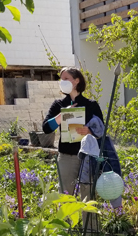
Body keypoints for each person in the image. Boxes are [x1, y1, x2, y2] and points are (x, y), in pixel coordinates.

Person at [42, 67, 104, 200]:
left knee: (88, 197)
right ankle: (65, 222)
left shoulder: (91, 105)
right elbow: (46, 128)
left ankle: (90, 222)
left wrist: (89, 131)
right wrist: (63, 114)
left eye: (66, 79)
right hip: (66, 157)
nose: (62, 81)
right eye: (61, 79)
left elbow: (101, 131)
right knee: (64, 197)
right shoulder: (58, 104)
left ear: (76, 81)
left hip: (88, 157)